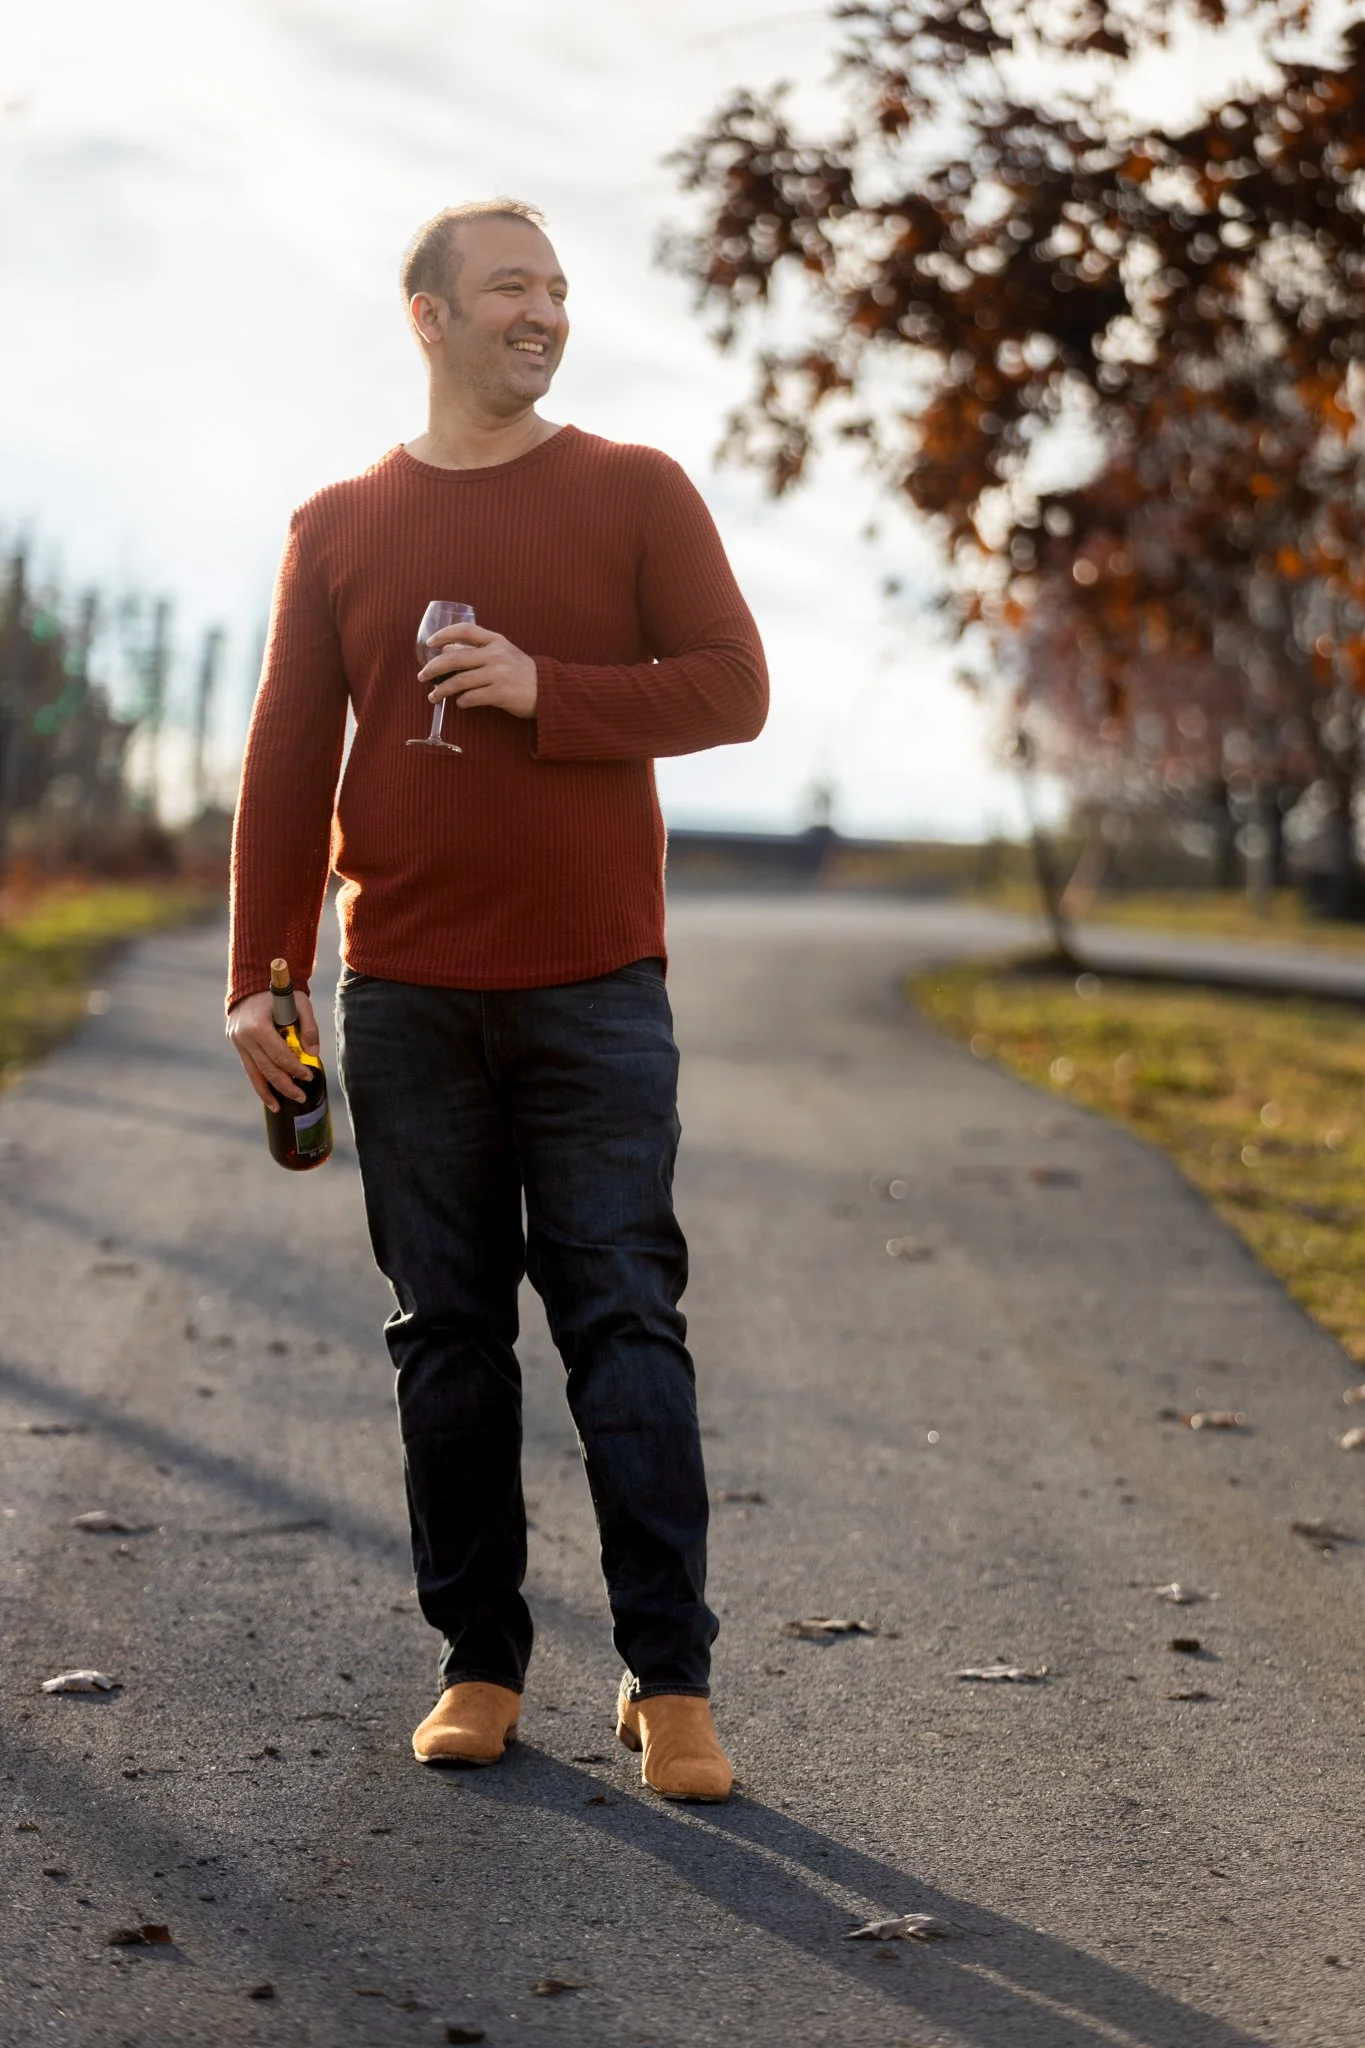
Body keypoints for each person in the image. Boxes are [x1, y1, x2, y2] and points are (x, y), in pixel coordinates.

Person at [226, 198, 768, 1801]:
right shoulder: (338, 525)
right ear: (430, 317)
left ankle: (670, 1679)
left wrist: (554, 692)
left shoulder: (634, 491)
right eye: (510, 289)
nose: (543, 313)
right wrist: (265, 976)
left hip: (598, 985)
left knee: (624, 1323)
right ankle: (479, 1658)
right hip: (403, 993)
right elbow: (284, 761)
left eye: (559, 292)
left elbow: (733, 689)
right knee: (446, 1338)